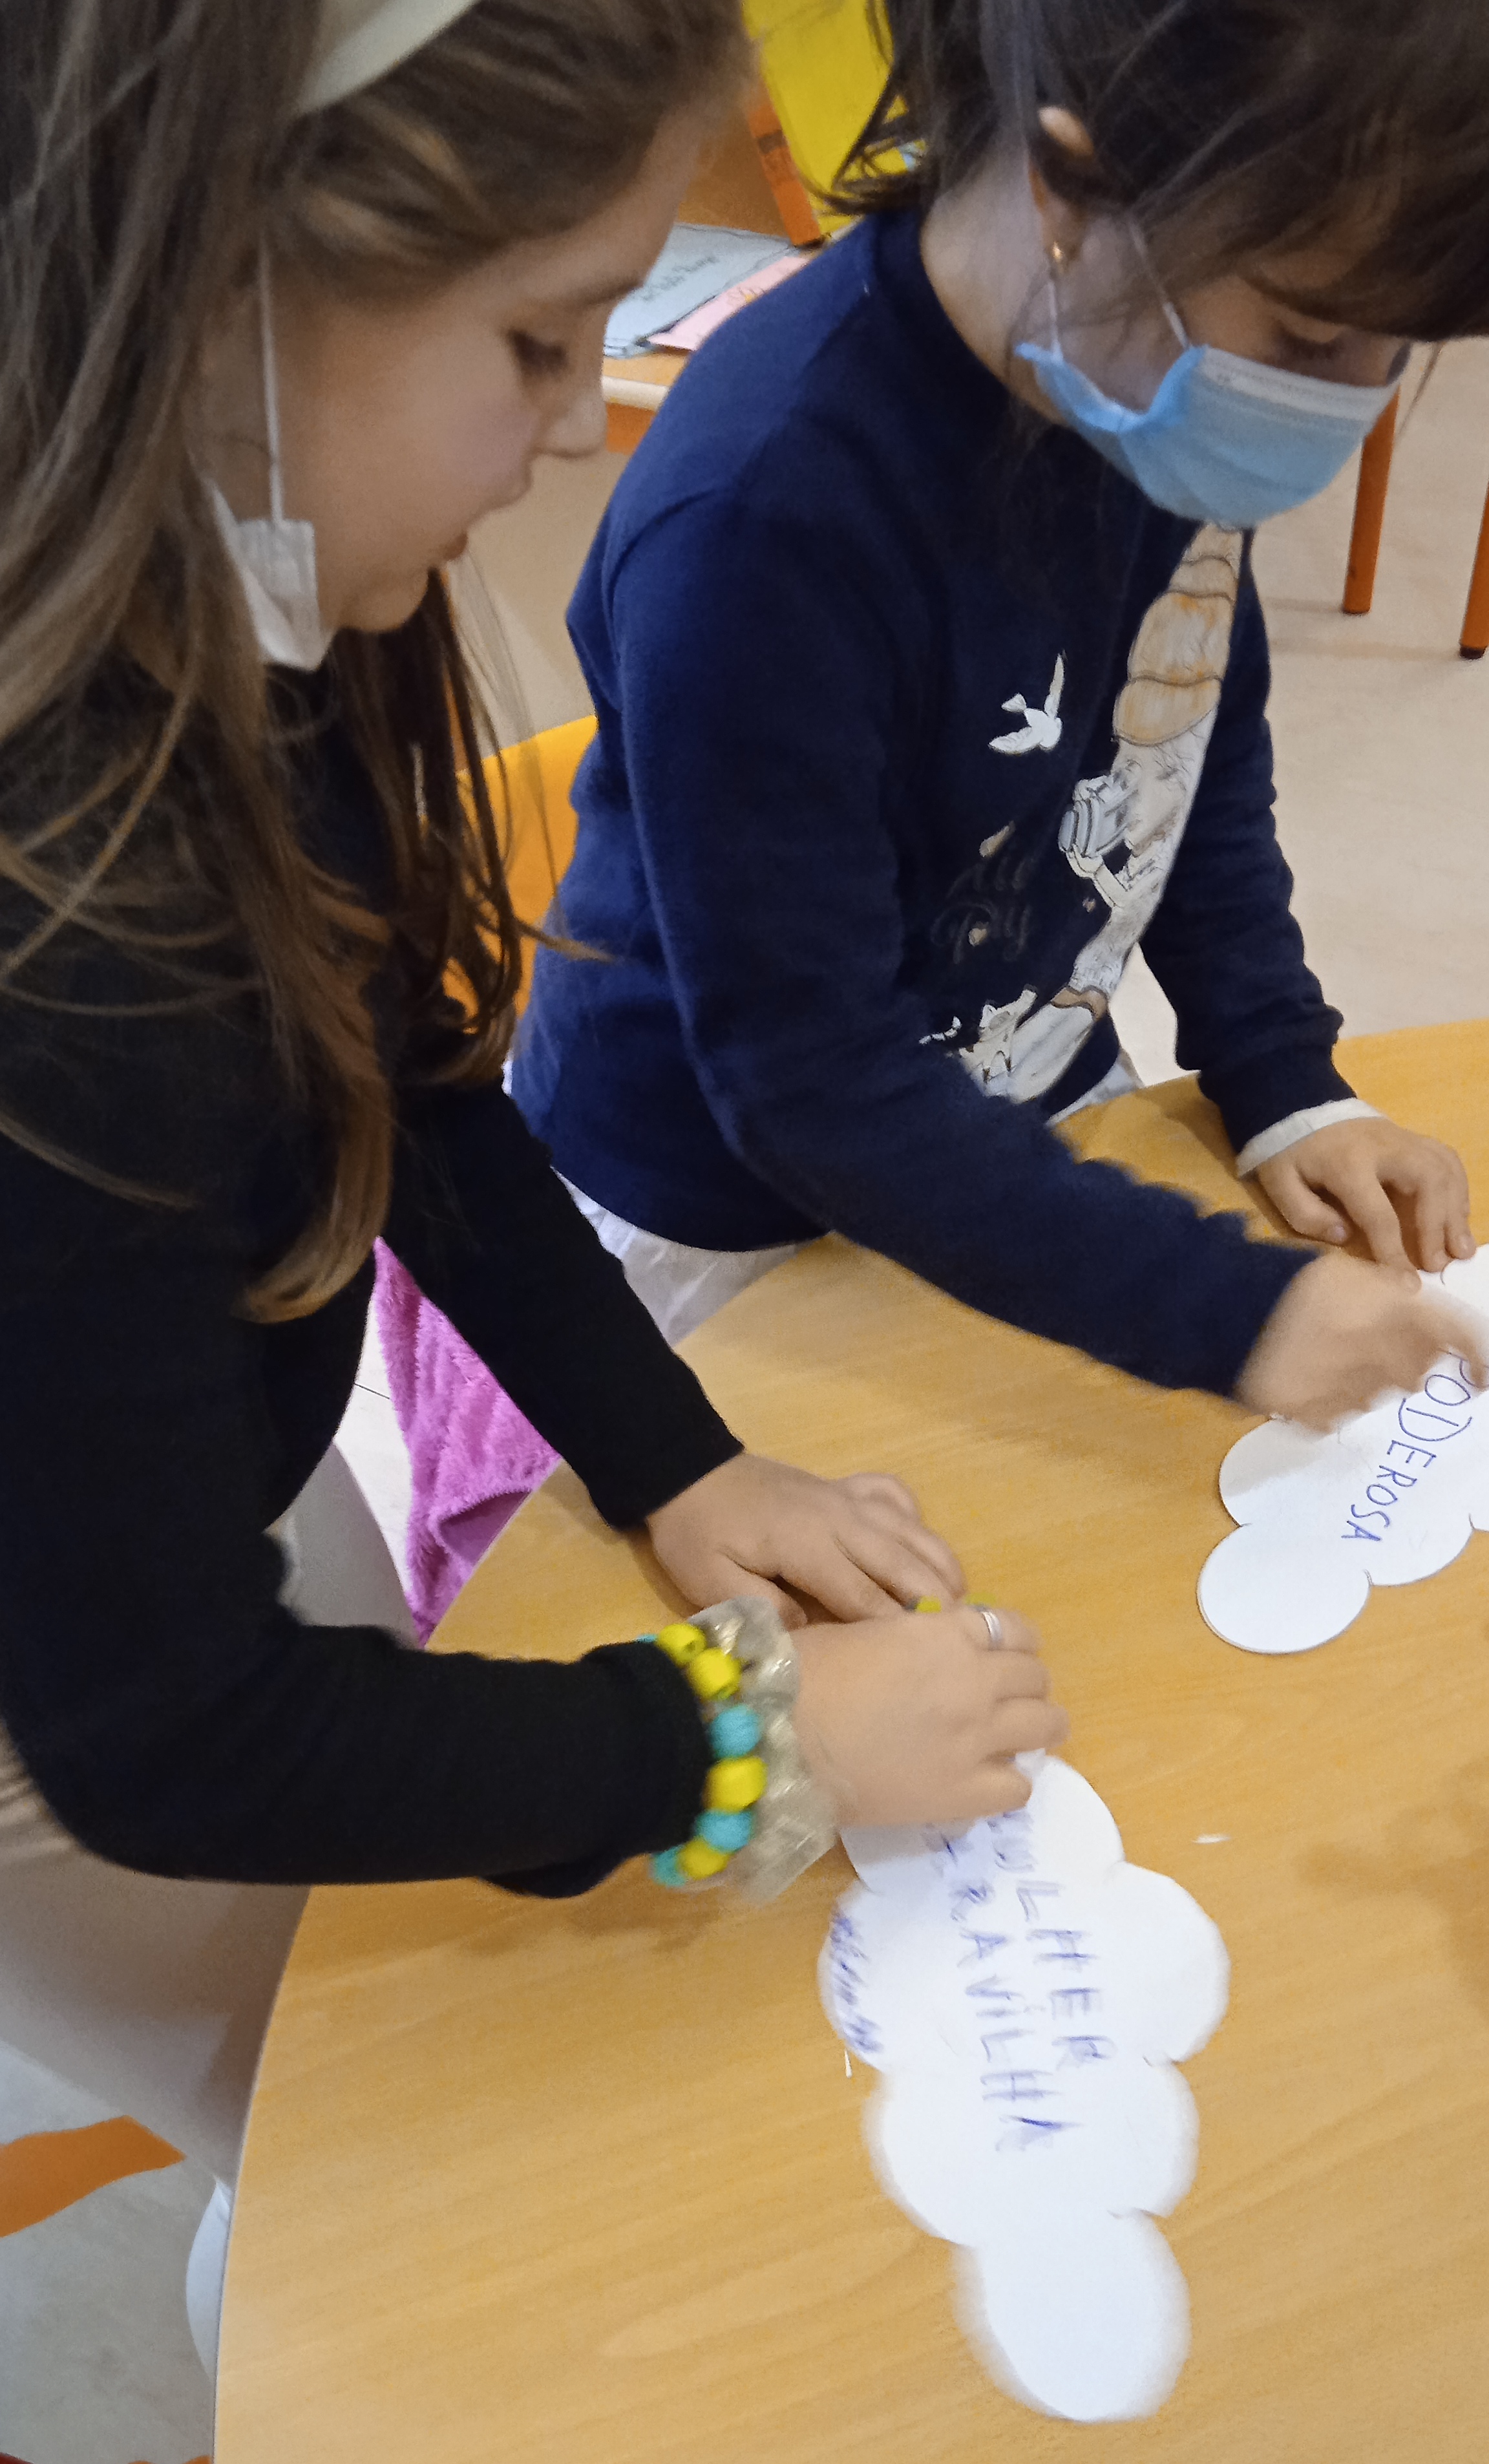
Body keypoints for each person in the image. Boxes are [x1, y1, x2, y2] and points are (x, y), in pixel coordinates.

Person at [0, 0, 1068, 2253]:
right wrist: (742, 1743)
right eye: (539, 339)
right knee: (364, 2164)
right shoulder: (69, 949)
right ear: (226, 284)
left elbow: (399, 1078)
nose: (584, 423)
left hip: (180, 1487)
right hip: (65, 1723)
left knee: (390, 1872)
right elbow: (165, 1733)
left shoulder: (251, 567)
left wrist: (671, 1457)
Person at [511, 0, 1489, 1427]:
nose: (1343, 408)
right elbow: (803, 1074)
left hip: (1012, 1105)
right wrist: (1225, 1306)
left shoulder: (1138, 379)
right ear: (1069, 186)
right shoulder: (764, 520)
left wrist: (1284, 1074)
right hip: (727, 1207)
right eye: (1314, 332)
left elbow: (1187, 756)